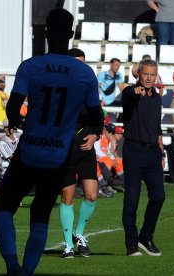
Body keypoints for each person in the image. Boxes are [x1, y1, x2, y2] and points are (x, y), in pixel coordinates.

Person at [0, 8, 103, 276]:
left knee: (4, 210)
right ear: (72, 34)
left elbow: (14, 106)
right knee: (40, 215)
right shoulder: (84, 73)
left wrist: (17, 122)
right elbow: (96, 116)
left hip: (30, 149)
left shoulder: (30, 66)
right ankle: (28, 271)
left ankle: (12, 266)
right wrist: (92, 129)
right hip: (58, 155)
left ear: (45, 33)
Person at [59, 48, 101, 259]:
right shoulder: (58, 87)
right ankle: (67, 245)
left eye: (83, 63)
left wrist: (95, 135)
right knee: (67, 198)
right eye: (76, 62)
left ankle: (79, 234)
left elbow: (98, 118)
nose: (80, 66)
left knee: (92, 195)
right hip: (65, 148)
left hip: (86, 147)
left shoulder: (89, 87)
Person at [121, 58, 165, 257]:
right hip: (134, 151)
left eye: (152, 74)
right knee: (132, 199)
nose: (149, 78)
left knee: (158, 196)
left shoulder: (157, 98)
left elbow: (157, 127)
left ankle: (145, 237)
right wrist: (135, 91)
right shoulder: (131, 93)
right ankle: (131, 244)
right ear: (138, 74)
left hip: (153, 153)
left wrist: (161, 151)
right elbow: (130, 93)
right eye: (145, 74)